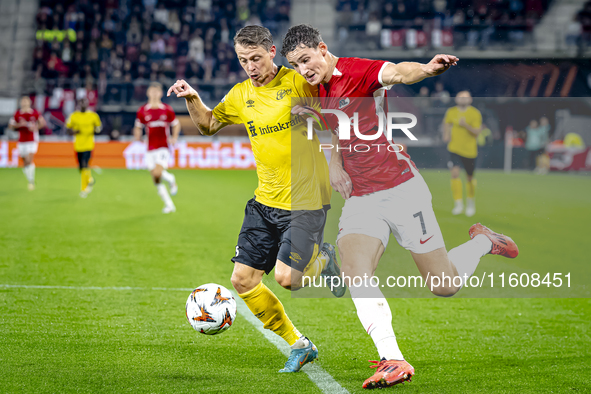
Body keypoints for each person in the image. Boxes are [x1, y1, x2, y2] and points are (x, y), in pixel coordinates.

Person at [282, 24, 519, 389]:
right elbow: (333, 128)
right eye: (296, 65)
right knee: (354, 269)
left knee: (444, 284)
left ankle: (484, 241)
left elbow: (396, 71)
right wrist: (334, 165)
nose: (303, 69)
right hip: (361, 197)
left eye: (305, 59)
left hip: (401, 188)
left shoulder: (358, 70)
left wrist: (426, 69)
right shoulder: (314, 88)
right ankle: (393, 359)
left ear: (322, 48)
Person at [167, 25, 344, 373]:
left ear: (272, 52)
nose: (250, 66)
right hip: (264, 203)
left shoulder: (299, 82)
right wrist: (192, 98)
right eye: (243, 60)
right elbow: (208, 125)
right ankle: (300, 344)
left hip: (306, 201)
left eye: (256, 58)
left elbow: (334, 119)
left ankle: (324, 258)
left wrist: (335, 161)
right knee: (242, 280)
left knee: (287, 279)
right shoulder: (239, 94)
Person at [133, 82, 181, 214]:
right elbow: (138, 126)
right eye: (152, 91)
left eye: (157, 91)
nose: (154, 93)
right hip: (149, 149)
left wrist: (174, 137)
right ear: (148, 93)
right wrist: (137, 135)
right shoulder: (143, 110)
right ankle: (169, 205)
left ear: (160, 93)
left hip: (163, 147)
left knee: (157, 172)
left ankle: (171, 179)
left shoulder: (166, 109)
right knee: (156, 179)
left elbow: (176, 124)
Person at [443, 91, 482, 217]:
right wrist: (446, 134)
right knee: (454, 174)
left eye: (465, 97)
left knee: (469, 177)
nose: (462, 99)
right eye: (460, 97)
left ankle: (470, 202)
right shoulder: (451, 111)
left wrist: (465, 125)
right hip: (454, 148)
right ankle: (458, 204)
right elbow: (446, 123)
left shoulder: (475, 113)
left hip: (470, 150)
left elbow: (477, 132)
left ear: (470, 100)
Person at [66, 98, 101, 198]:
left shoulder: (93, 116)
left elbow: (98, 128)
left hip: (89, 144)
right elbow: (68, 130)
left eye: (84, 103)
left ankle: (84, 189)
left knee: (85, 164)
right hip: (78, 145)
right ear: (78, 104)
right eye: (81, 103)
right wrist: (74, 132)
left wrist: (95, 130)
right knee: (81, 167)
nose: (83, 105)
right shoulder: (74, 116)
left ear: (87, 104)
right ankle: (90, 179)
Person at [8, 96, 46, 190]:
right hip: (21, 140)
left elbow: (42, 123)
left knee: (29, 160)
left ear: (29, 102)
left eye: (26, 101)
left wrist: (35, 127)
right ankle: (30, 179)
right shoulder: (17, 114)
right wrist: (19, 125)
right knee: (25, 162)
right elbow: (11, 126)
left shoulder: (34, 113)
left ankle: (31, 181)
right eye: (23, 101)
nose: (24, 103)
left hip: (32, 139)